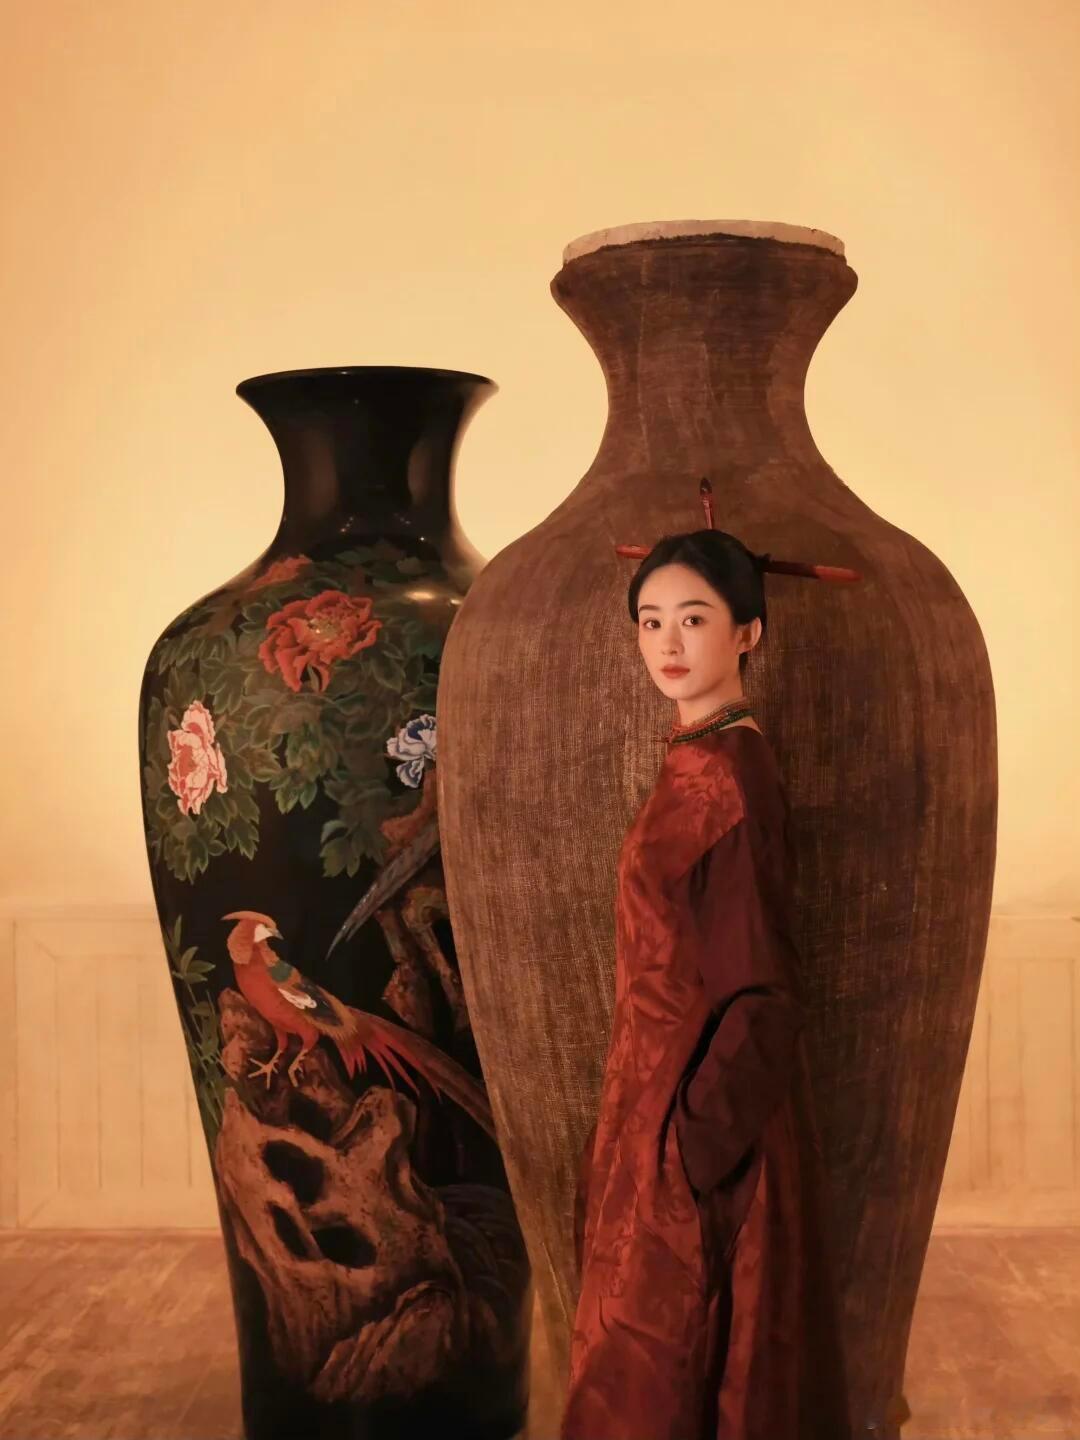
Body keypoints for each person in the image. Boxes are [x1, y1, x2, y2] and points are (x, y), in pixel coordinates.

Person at [561, 520, 854, 1440]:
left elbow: (762, 996)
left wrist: (688, 1154)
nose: (669, 643)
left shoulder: (726, 778)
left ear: (748, 632)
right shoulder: (701, 758)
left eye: (694, 619)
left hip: (703, 1130)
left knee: (670, 1371)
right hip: (660, 1110)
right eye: (650, 622)